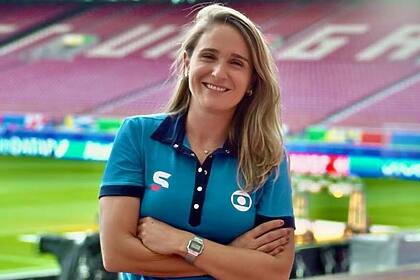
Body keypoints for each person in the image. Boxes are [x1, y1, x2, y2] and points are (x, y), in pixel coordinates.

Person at [99, 3, 295, 280]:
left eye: (236, 63)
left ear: (252, 80)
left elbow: (275, 272)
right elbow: (116, 254)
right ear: (187, 62)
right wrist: (231, 254)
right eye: (208, 56)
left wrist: (184, 244)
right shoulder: (138, 134)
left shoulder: (269, 158)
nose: (218, 72)